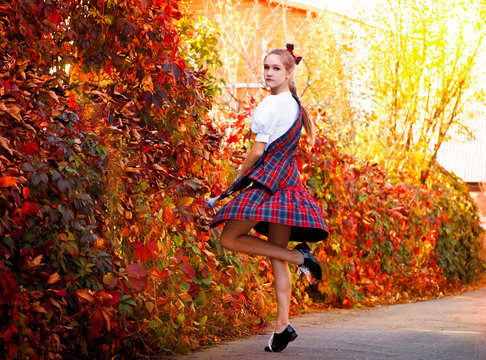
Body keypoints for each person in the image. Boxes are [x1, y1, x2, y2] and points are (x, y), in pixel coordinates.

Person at [207, 44, 328, 353]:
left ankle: (300, 259)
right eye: (266, 67)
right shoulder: (296, 107)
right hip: (288, 181)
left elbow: (258, 151)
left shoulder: (270, 105)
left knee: (229, 238)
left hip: (268, 180)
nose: (269, 73)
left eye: (275, 68)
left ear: (289, 72)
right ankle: (282, 328)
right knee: (276, 254)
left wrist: (237, 177)